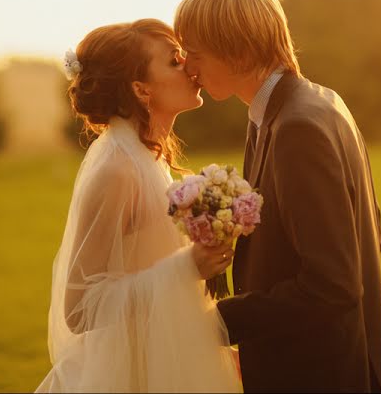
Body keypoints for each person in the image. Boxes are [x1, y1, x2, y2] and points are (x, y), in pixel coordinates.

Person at [174, 0, 381, 393]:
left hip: (324, 373)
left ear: (240, 50)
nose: (188, 68)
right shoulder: (316, 104)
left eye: (195, 54)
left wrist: (217, 322)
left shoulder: (297, 127)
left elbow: (333, 284)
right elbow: (365, 235)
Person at [36, 19, 241, 393]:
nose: (191, 69)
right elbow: (79, 309)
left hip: (167, 356)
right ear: (140, 89)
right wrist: (187, 266)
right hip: (133, 373)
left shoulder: (148, 159)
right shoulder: (117, 170)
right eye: (174, 62)